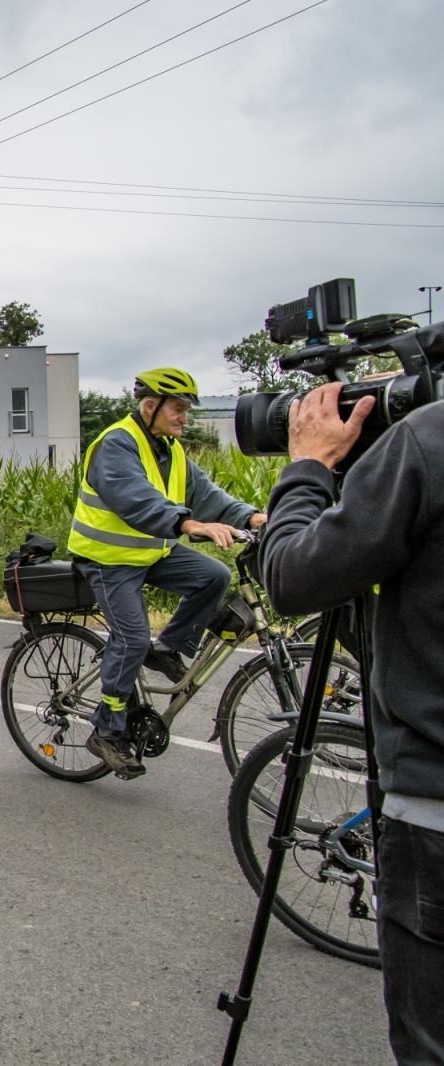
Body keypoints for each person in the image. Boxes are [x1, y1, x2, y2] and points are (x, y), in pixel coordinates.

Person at [256, 382, 443, 1064]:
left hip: (431, 809)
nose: (185, 417)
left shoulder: (427, 442)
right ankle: (117, 709)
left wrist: (306, 470)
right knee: (134, 629)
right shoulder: (124, 442)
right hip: (124, 561)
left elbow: (294, 576)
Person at [66, 368, 268, 779]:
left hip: (150, 552)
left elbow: (207, 495)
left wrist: (253, 517)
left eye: (186, 410)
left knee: (213, 576)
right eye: (177, 408)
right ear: (150, 406)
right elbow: (136, 500)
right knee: (132, 637)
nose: (184, 417)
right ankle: (107, 729)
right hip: (108, 558)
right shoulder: (117, 444)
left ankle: (169, 648)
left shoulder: (170, 450)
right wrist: (188, 525)